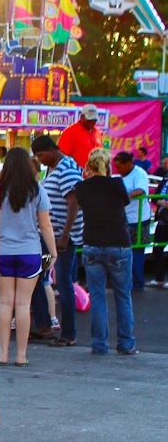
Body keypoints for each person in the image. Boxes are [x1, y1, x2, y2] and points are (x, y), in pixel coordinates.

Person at [59, 148, 135, 355]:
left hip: (92, 244)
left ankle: (99, 344)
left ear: (89, 166)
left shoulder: (82, 188)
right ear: (108, 165)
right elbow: (125, 201)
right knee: (122, 295)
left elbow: (83, 203)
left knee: (98, 297)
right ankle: (126, 343)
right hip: (119, 243)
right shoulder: (117, 184)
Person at [0, 147, 55, 366]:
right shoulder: (37, 189)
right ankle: (21, 355)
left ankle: (2, 354)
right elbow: (45, 225)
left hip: (1, 251)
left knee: (5, 303)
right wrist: (53, 252)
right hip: (30, 251)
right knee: (22, 304)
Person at [31, 134, 85, 348]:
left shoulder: (66, 169)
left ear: (52, 150)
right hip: (50, 237)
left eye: (42, 155)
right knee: (36, 278)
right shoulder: (53, 169)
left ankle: (69, 333)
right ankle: (44, 325)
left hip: (61, 239)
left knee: (63, 283)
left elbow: (74, 202)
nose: (40, 159)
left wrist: (64, 235)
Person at [112, 149, 150, 292]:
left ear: (128, 164)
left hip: (139, 219)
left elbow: (140, 190)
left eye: (120, 167)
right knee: (123, 251)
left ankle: (137, 282)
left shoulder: (140, 174)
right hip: (124, 218)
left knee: (137, 252)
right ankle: (125, 280)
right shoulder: (120, 176)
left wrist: (124, 196)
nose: (118, 170)